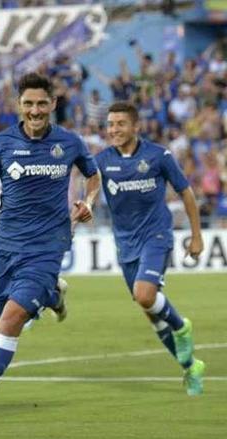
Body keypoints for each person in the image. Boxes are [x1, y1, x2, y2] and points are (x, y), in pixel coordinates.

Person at [0, 73, 102, 425]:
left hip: (48, 246)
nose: (35, 110)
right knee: (0, 324)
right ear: (19, 106)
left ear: (53, 105)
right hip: (7, 246)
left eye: (42, 103)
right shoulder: (0, 144)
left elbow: (93, 175)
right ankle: (52, 296)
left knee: (11, 322)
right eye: (28, 103)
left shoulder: (69, 143)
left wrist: (87, 201)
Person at [96, 101, 205, 395]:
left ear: (136, 127)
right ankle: (191, 367)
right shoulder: (102, 160)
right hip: (125, 244)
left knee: (145, 295)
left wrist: (196, 236)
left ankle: (182, 327)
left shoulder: (159, 156)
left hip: (156, 236)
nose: (114, 129)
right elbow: (89, 191)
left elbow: (186, 192)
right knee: (150, 312)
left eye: (120, 124)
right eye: (110, 124)